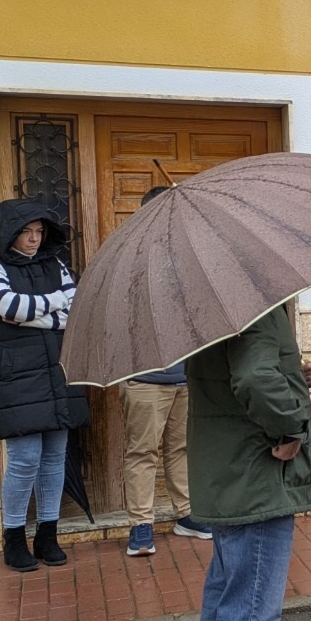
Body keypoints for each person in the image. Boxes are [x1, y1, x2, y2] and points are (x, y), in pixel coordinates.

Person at [185, 303, 311, 621]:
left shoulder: (210, 308)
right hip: (255, 475)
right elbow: (253, 378)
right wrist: (290, 425)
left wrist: (294, 377)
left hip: (229, 470)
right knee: (251, 600)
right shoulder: (252, 305)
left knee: (226, 590)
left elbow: (237, 375)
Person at [0, 200, 90, 573]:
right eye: (26, 232)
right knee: (24, 459)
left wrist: (31, 313)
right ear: (8, 232)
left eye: (39, 232)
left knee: (55, 456)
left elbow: (74, 313)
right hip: (15, 377)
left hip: (57, 371)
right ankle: (13, 538)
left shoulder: (55, 265)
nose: (34, 239)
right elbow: (9, 308)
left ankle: (47, 536)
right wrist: (54, 302)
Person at [122, 185, 213, 557]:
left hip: (185, 374)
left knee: (181, 447)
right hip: (145, 377)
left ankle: (186, 515)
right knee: (142, 452)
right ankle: (140, 525)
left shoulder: (188, 256)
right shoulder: (132, 258)